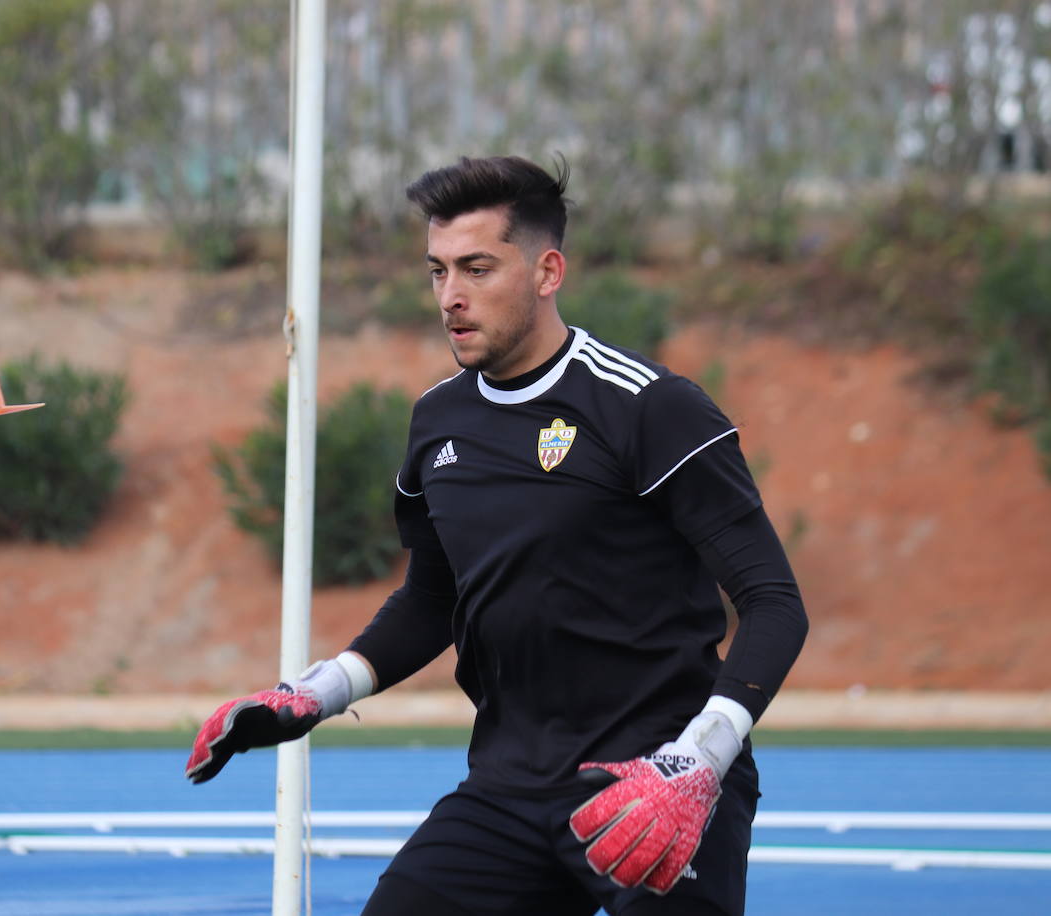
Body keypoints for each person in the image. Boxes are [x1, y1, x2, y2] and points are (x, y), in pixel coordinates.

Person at [186, 155, 808, 916]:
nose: (451, 296)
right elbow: (433, 598)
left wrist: (700, 760)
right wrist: (317, 692)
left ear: (548, 271)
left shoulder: (651, 407)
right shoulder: (438, 421)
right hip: (511, 784)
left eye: (477, 268)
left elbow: (774, 602)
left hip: (658, 775)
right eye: (438, 271)